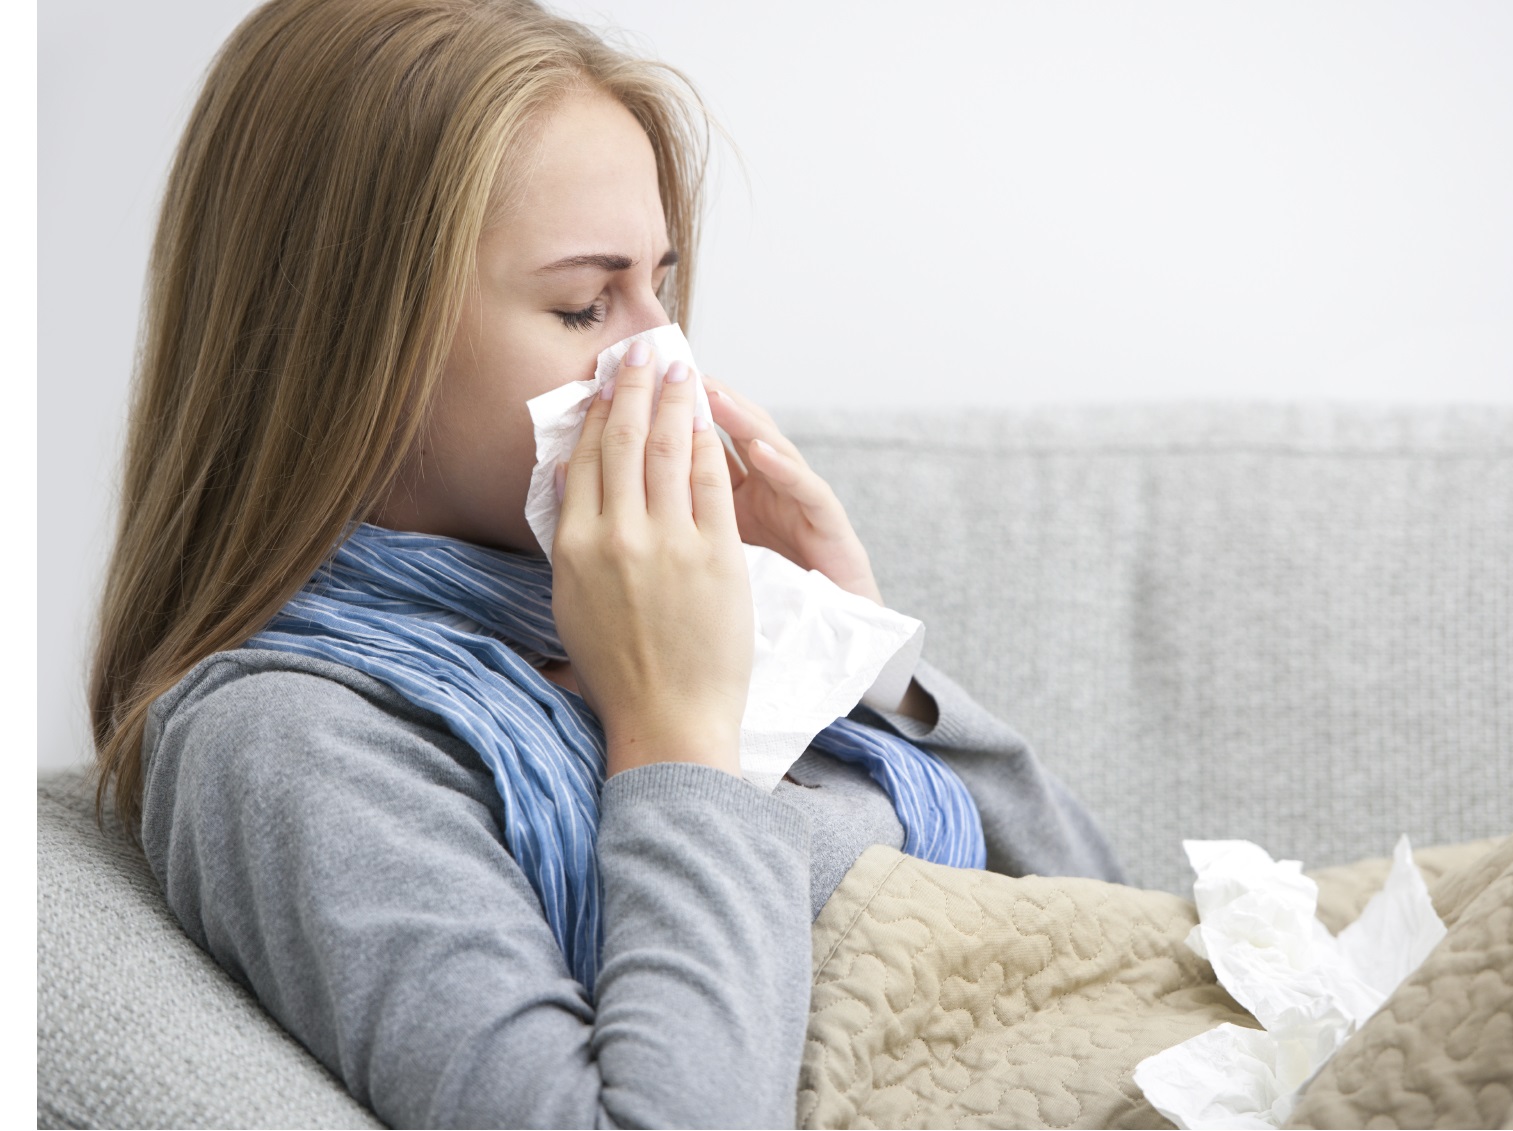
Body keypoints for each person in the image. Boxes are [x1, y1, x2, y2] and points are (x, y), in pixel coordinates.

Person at [89, 0, 1123, 1125]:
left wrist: (851, 649)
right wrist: (674, 736)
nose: (663, 359)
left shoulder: (645, 615)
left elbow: (1113, 930)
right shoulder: (292, 741)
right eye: (586, 305)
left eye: (661, 290)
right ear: (350, 349)